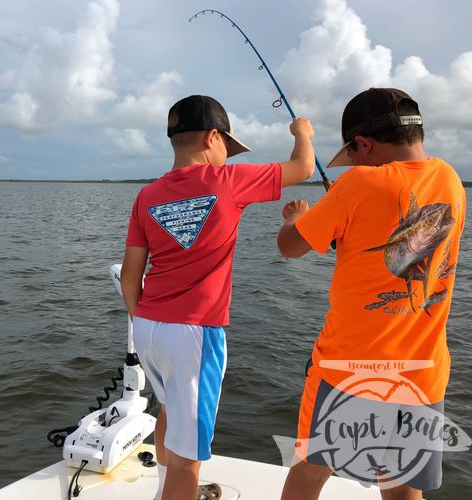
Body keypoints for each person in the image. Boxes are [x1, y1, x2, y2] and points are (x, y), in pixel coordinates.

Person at [121, 94, 315, 500]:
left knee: (169, 409)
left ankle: (161, 489)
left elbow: (130, 275)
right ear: (212, 137)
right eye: (228, 145)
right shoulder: (228, 181)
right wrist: (303, 132)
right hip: (194, 334)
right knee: (189, 459)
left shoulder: (146, 195)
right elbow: (303, 167)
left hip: (149, 327)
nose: (229, 155)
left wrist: (144, 319)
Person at [277, 88, 465, 500]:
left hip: (347, 371)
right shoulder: (451, 180)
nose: (353, 165)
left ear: (364, 143)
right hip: (421, 372)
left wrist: (300, 216)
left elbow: (289, 246)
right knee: (401, 486)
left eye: (353, 155)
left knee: (310, 470)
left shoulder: (357, 184)